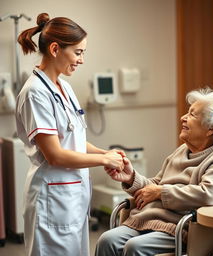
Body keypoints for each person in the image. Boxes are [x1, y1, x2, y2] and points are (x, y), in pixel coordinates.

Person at [15, 13, 124, 256]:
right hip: (51, 200)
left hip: (72, 199)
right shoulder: (35, 93)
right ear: (55, 49)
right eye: (78, 52)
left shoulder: (64, 87)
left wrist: (107, 153)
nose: (82, 60)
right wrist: (104, 160)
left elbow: (73, 142)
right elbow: (55, 154)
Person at [95, 88, 213, 256]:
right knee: (107, 240)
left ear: (212, 128)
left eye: (192, 115)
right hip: (149, 219)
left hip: (184, 227)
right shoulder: (182, 150)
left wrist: (160, 192)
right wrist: (131, 178)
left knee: (135, 247)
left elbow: (209, 194)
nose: (183, 118)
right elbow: (157, 185)